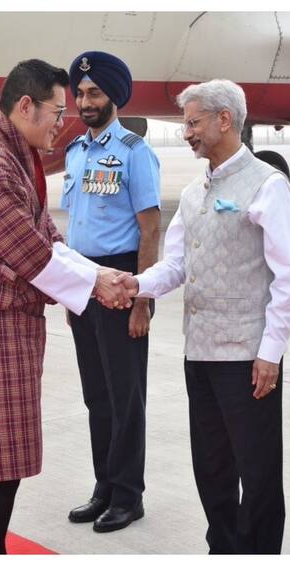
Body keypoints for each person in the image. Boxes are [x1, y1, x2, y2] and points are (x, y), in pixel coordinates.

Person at [0, 59, 130, 554]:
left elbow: (45, 234)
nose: (62, 123)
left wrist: (96, 275)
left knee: (7, 453)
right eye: (56, 111)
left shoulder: (15, 153)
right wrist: (96, 283)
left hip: (11, 326)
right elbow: (27, 252)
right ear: (26, 106)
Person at [113, 79, 290, 554]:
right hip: (198, 354)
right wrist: (136, 285)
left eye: (193, 122)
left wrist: (270, 354)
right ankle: (222, 549)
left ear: (224, 120)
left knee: (257, 474)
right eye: (185, 124)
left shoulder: (267, 185)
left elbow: (289, 282)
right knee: (212, 468)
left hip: (247, 359)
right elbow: (177, 264)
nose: (186, 133)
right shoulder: (195, 192)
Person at [61, 51, 161, 533]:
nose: (85, 101)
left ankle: (128, 495)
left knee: (126, 396)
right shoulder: (75, 152)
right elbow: (76, 227)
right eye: (80, 94)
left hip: (122, 282)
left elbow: (150, 230)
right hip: (83, 283)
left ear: (114, 97)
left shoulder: (135, 152)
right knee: (96, 396)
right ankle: (103, 486)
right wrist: (71, 292)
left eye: (94, 93)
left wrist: (143, 300)